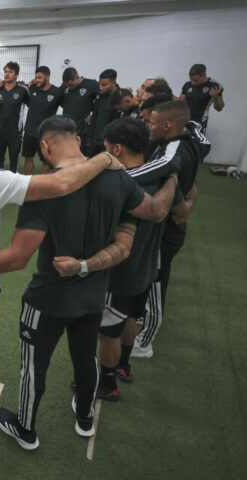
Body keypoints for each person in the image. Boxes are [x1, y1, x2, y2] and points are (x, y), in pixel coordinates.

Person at [0, 115, 177, 450]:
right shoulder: (119, 180)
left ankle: (26, 429)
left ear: (44, 146)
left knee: (33, 368)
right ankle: (85, 418)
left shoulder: (42, 190)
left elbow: (17, 258)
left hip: (46, 301)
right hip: (93, 297)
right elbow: (157, 210)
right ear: (77, 139)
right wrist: (174, 174)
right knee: (86, 358)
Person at [96, 118, 183, 401]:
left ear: (117, 149)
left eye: (107, 148)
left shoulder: (118, 185)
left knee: (108, 333)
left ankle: (107, 384)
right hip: (148, 267)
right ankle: (123, 366)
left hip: (120, 273)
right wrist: (173, 180)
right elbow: (182, 213)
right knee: (133, 316)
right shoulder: (164, 179)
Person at [132, 101, 210, 358]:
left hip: (167, 231)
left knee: (156, 280)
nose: (148, 127)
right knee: (148, 278)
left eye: (152, 123)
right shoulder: (183, 140)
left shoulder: (175, 146)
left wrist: (118, 178)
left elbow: (162, 166)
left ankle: (144, 343)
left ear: (167, 125)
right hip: (165, 224)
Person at [180, 64, 224, 174]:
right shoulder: (187, 85)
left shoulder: (214, 85)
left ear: (204, 75)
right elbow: (180, 103)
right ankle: (180, 168)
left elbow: (219, 108)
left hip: (199, 123)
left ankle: (191, 172)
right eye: (191, 80)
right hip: (184, 121)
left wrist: (216, 97)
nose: (193, 83)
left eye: (196, 80)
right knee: (181, 145)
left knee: (195, 148)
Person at [22, 66, 62, 174]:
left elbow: (69, 105)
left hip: (46, 134)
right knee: (28, 158)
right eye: (36, 77)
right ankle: (28, 183)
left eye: (39, 77)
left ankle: (42, 185)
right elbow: (19, 87)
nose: (37, 80)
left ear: (47, 77)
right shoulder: (32, 88)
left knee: (46, 161)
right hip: (30, 132)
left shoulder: (57, 92)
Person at [0, 61, 29, 172]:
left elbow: (32, 105)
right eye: (5, 71)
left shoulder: (22, 90)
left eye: (10, 72)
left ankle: (14, 186)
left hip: (15, 134)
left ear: (16, 75)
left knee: (14, 165)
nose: (7, 74)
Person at [61, 67, 100, 149]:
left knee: (82, 158)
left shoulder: (91, 84)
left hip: (82, 130)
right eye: (66, 86)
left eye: (71, 85)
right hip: (66, 129)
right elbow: (55, 95)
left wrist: (93, 114)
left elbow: (103, 100)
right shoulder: (64, 86)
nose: (69, 88)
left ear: (76, 78)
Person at [85, 69, 120, 156]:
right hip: (93, 142)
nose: (100, 87)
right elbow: (94, 117)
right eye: (99, 84)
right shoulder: (99, 95)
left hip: (107, 144)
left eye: (104, 85)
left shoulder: (119, 98)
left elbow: (116, 124)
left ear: (113, 83)